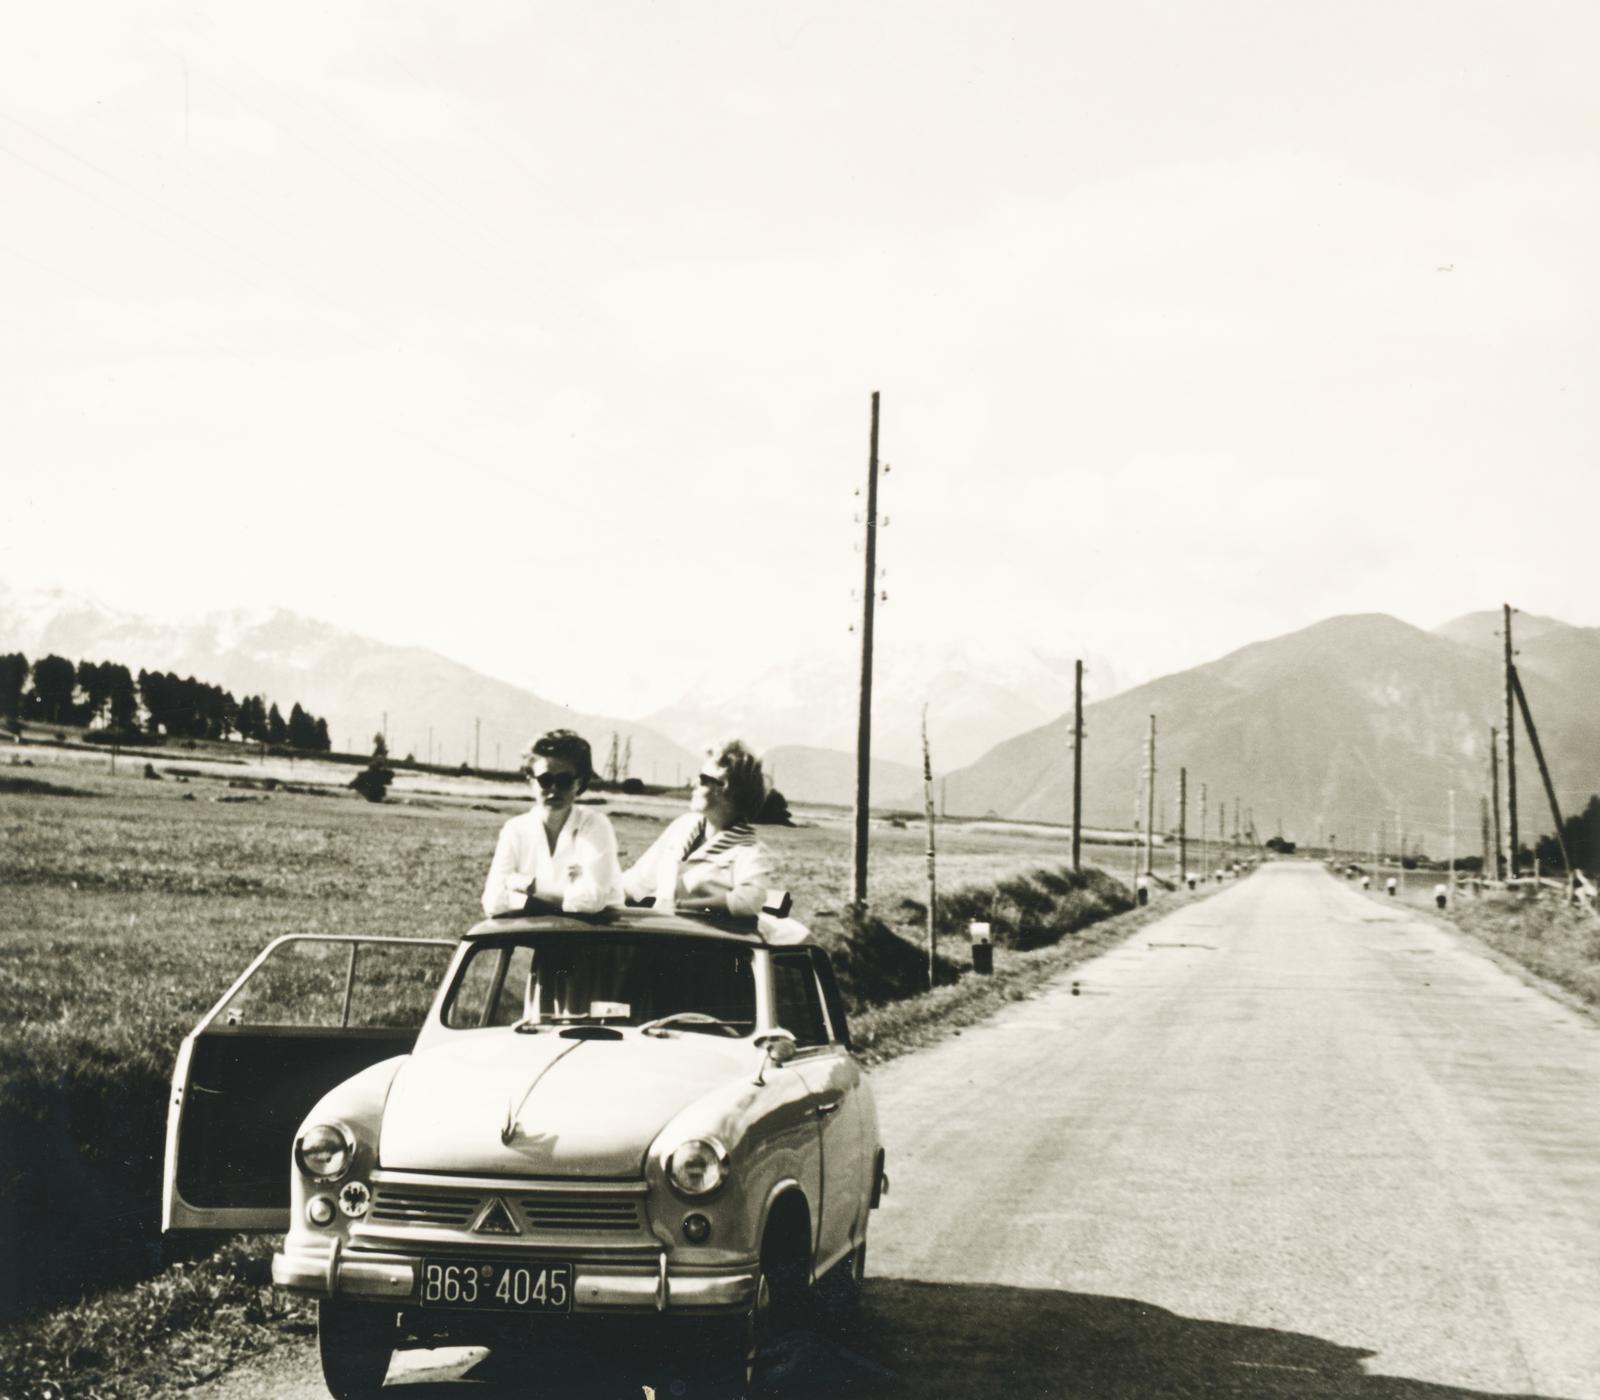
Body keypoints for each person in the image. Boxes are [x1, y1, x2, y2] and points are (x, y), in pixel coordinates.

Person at [481, 729, 625, 916]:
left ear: (579, 783)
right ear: (531, 781)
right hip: (534, 938)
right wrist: (564, 894)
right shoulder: (515, 829)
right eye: (545, 780)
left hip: (590, 939)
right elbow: (493, 902)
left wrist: (528, 886)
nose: (554, 789)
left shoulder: (595, 825)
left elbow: (591, 900)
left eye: (564, 780)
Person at [622, 739, 773, 916]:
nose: (693, 783)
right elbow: (639, 880)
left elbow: (748, 902)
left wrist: (682, 907)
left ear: (727, 790)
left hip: (702, 940)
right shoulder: (684, 826)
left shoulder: (751, 851)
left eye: (702, 779)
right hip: (660, 930)